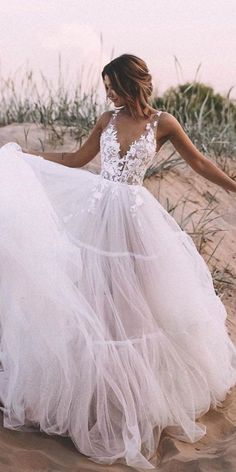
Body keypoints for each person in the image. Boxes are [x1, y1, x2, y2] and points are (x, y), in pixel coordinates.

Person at [0, 53, 235, 470]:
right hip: (97, 219)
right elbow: (75, 160)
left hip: (136, 224)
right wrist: (28, 160)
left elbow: (197, 161)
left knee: (138, 313)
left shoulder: (163, 123)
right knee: (96, 306)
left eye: (112, 86)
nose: (108, 94)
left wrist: (233, 186)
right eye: (105, 87)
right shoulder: (106, 121)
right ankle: (96, 402)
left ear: (132, 83)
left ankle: (139, 401)